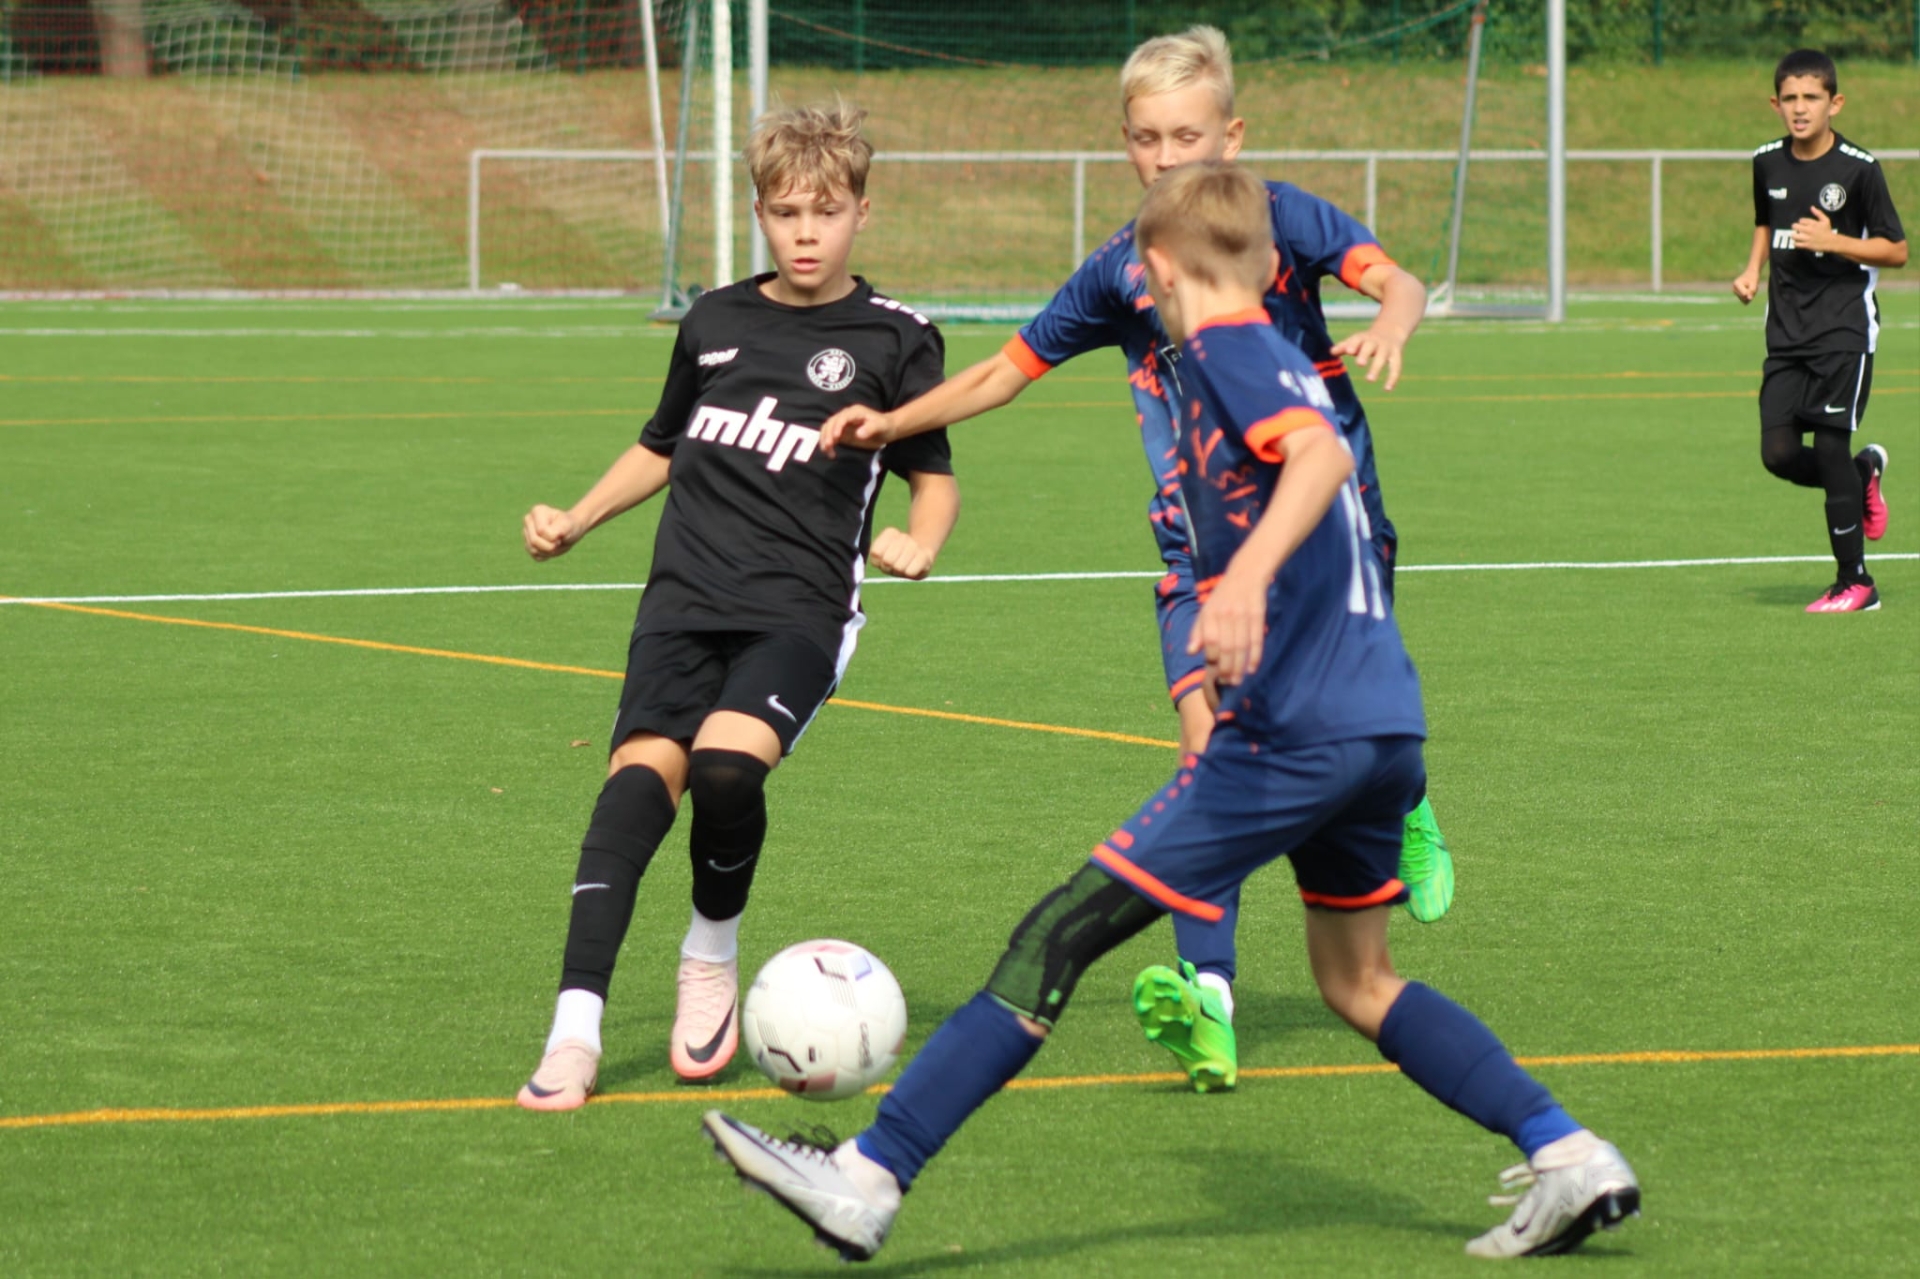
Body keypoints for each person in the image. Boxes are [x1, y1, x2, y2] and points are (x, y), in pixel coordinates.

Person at [705, 162, 1640, 1262]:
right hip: (1382, 721)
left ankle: (868, 1175)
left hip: (1292, 735)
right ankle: (1568, 1151)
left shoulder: (1232, 349)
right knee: (1358, 980)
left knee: (1054, 937)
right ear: (1268, 260)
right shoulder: (1280, 349)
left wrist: (1240, 585)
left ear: (1153, 270)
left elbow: (1317, 456)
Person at [813, 26, 1451, 1094]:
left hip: (1330, 534)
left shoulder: (1282, 217)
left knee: (1363, 727)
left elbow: (1397, 279)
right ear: (1125, 142)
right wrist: (892, 422)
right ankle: (1211, 1001)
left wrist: (1391, 318)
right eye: (1147, 138)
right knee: (1209, 757)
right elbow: (1005, 371)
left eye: (1187, 136)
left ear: (1231, 136)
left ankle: (1410, 805)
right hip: (1198, 558)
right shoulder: (1123, 267)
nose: (1165, 157)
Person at [512, 102, 960, 1109]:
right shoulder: (713, 319)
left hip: (798, 610)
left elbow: (933, 475)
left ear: (862, 212)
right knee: (632, 794)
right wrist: (578, 516)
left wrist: (920, 540)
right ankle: (573, 1035)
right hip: (681, 603)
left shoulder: (898, 339)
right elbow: (663, 445)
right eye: (786, 212)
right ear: (759, 213)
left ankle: (710, 952)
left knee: (723, 767)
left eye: (827, 212)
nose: (806, 233)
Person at [1732, 48, 1906, 614]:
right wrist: (1751, 269)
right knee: (1779, 453)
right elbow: (1765, 222)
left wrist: (1835, 242)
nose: (1800, 108)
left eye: (1812, 97)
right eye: (1790, 98)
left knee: (1829, 446)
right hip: (1786, 331)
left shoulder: (1859, 169)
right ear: (1775, 104)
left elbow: (1896, 250)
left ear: (1835, 103)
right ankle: (1862, 475)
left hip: (1842, 329)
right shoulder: (1766, 162)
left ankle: (1857, 582)